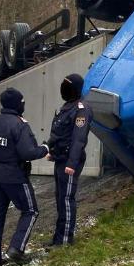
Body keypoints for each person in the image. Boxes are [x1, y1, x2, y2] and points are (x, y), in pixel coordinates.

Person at [0, 87, 50, 266]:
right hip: (16, 178)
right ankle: (16, 249)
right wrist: (45, 149)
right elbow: (28, 152)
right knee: (30, 210)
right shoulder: (19, 124)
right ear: (19, 105)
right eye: (22, 102)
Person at [46, 73, 93, 247]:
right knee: (60, 199)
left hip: (69, 162)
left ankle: (65, 240)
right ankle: (58, 238)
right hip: (60, 160)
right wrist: (49, 149)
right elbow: (57, 134)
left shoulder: (82, 109)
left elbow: (78, 139)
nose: (63, 89)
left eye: (67, 86)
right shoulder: (66, 107)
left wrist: (72, 163)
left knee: (66, 199)